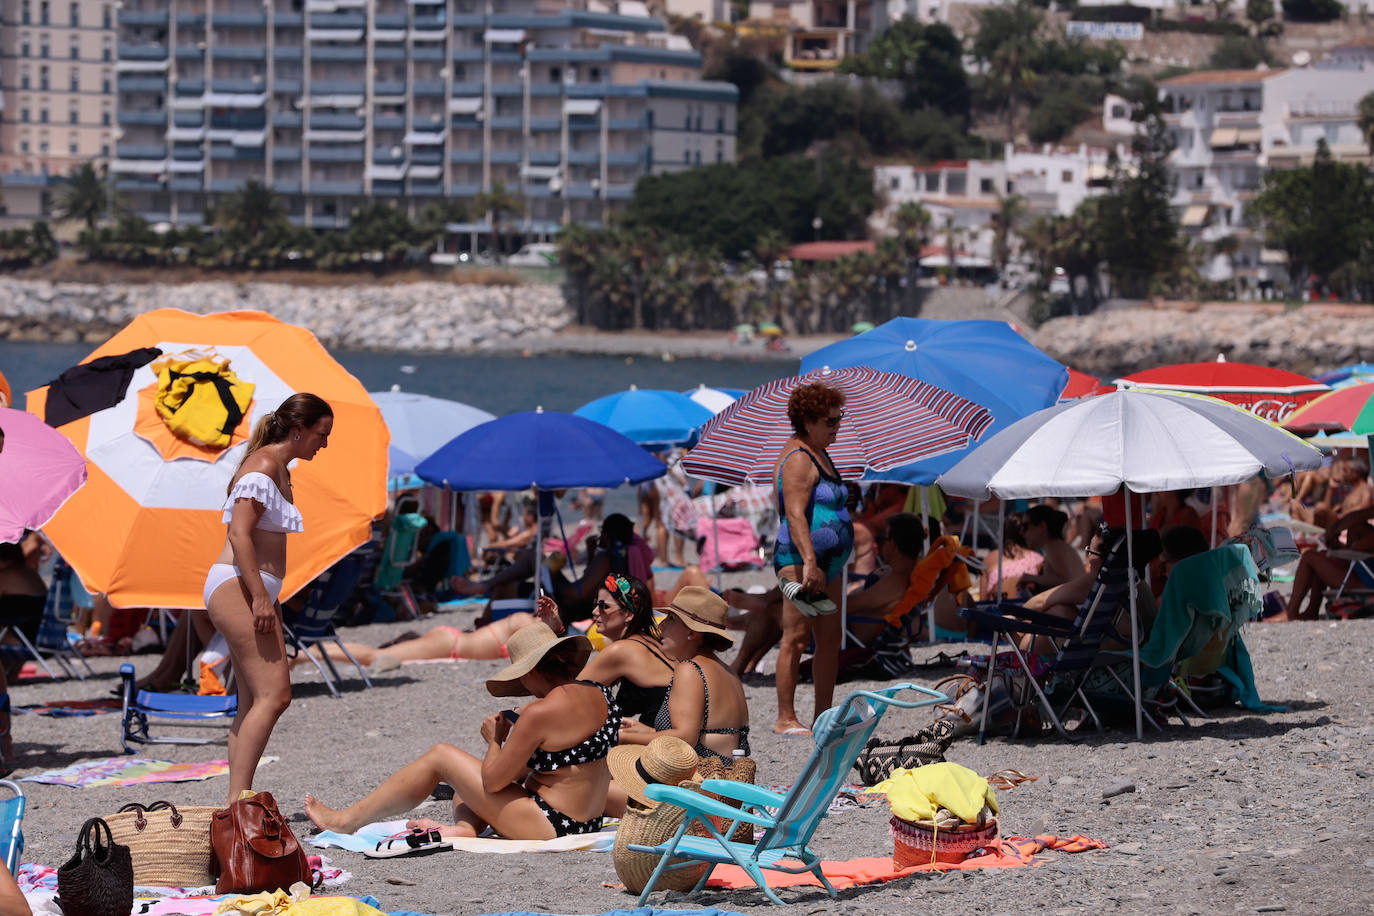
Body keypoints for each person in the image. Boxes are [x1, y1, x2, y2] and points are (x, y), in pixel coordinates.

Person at [305, 622, 620, 839]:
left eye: (522, 676)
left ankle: (346, 821)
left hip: (550, 824)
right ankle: (466, 829)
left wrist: (494, 741)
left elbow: (494, 781)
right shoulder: (598, 692)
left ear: (533, 670)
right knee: (461, 781)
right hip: (586, 820)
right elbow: (564, 763)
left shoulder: (540, 712)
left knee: (442, 757)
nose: (523, 686)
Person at [206, 392, 333, 805]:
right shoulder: (263, 466)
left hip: (249, 588)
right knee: (275, 695)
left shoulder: (276, 466)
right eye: (320, 434)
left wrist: (268, 597)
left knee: (253, 700)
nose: (323, 443)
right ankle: (237, 801)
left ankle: (236, 802)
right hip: (240, 587)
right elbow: (239, 534)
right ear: (298, 430)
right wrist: (260, 596)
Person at [770, 382, 853, 736]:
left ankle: (823, 714)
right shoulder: (799, 458)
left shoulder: (820, 451)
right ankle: (785, 718)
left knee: (830, 639)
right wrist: (809, 562)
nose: (837, 428)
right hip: (799, 561)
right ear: (807, 420)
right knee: (797, 637)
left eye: (839, 419)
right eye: (830, 422)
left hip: (825, 564)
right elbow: (795, 514)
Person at [618, 587, 749, 762]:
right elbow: (707, 734)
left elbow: (686, 738)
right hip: (729, 775)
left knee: (599, 782)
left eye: (670, 619)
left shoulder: (690, 669)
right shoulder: (727, 671)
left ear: (692, 633)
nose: (660, 624)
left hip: (701, 778)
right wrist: (640, 729)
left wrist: (620, 738)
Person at [534, 574, 673, 724]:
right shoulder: (648, 642)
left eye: (604, 606)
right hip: (672, 738)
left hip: (663, 742)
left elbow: (568, 692)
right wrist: (559, 629)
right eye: (595, 604)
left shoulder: (621, 651)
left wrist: (520, 712)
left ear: (628, 614)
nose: (594, 611)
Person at [1268, 506, 1374, 622]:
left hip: (1366, 584)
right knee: (1327, 552)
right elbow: (1361, 515)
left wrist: (1335, 535)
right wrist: (1336, 532)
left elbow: (1357, 547)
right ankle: (1311, 611)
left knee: (1310, 557)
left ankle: (1291, 612)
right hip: (1363, 575)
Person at [0, 541, 46, 771]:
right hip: (32, 638)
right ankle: (6, 746)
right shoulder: (28, 572)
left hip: (17, 639)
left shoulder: (7, 576)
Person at [1018, 505, 1082, 593]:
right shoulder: (1056, 545)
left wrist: (1030, 578)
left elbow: (1065, 580)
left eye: (1025, 526)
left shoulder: (1052, 547)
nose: (1021, 532)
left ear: (1042, 526)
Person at [980, 513, 1043, 601]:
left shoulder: (989, 559)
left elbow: (983, 600)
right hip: (1026, 611)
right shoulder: (1038, 559)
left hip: (997, 610)